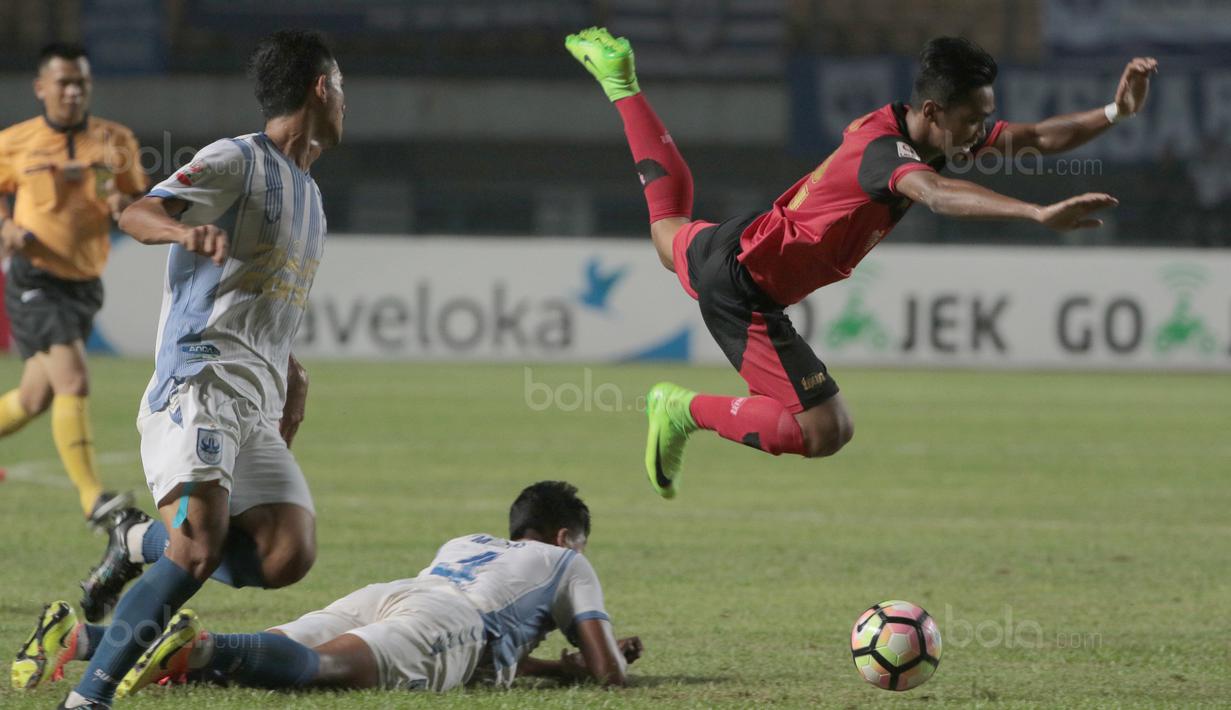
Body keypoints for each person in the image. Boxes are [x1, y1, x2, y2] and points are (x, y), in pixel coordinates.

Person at [564, 27, 1157, 498]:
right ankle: (681, 409)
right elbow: (938, 195)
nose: (982, 132)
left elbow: (1039, 137)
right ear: (934, 109)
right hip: (744, 289)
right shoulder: (886, 153)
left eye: (983, 118)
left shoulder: (933, 131)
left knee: (666, 226)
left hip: (744, 243)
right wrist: (1035, 214)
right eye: (974, 119)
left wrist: (1116, 112)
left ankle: (622, 86)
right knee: (825, 429)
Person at [53, 29, 345, 709]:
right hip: (200, 383)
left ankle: (133, 541)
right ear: (320, 88)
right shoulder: (236, 160)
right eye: (342, 91)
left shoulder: (311, 197)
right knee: (197, 551)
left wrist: (289, 372)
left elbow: (264, 297)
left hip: (258, 394)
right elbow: (136, 210)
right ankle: (87, 699)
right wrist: (184, 232)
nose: (345, 105)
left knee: (285, 554)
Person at [18, 482, 641, 696]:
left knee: (266, 655)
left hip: (399, 592)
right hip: (454, 619)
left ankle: (80, 635)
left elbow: (467, 652)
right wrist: (597, 661)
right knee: (321, 669)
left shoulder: (471, 542)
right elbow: (609, 672)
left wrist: (554, 672)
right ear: (565, 535)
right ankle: (199, 647)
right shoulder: (566, 563)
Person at [0, 43, 148, 529]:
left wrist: (121, 205)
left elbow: (137, 200)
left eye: (80, 82)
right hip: (35, 278)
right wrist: (6, 226)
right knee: (73, 380)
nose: (71, 90)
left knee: (34, 399)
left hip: (84, 283)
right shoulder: (15, 142)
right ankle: (92, 499)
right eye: (62, 81)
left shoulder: (115, 140)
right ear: (41, 88)